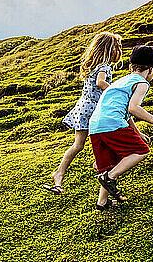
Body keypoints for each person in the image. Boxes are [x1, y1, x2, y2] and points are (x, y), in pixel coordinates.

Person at [88, 45, 153, 211]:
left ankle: (102, 204)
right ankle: (110, 178)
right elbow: (133, 109)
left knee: (109, 166)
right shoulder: (141, 83)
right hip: (112, 123)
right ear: (151, 69)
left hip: (96, 125)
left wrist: (138, 133)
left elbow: (124, 111)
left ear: (131, 66)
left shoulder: (120, 82)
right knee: (141, 150)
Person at [42, 32, 122, 194]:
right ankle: (100, 165)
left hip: (83, 108)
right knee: (107, 137)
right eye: (118, 47)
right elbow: (100, 82)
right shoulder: (105, 67)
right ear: (109, 48)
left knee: (78, 145)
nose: (120, 50)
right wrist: (116, 91)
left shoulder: (95, 65)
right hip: (93, 110)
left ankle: (59, 173)